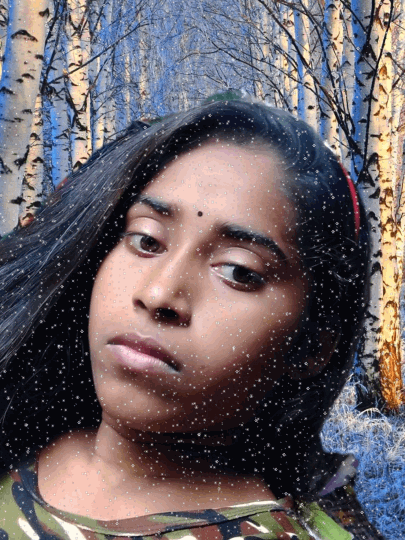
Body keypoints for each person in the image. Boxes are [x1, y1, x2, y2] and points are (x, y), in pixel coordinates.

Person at [0, 99, 385, 539]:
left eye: (238, 272)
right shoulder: (19, 437)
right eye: (146, 240)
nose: (159, 294)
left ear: (311, 344)